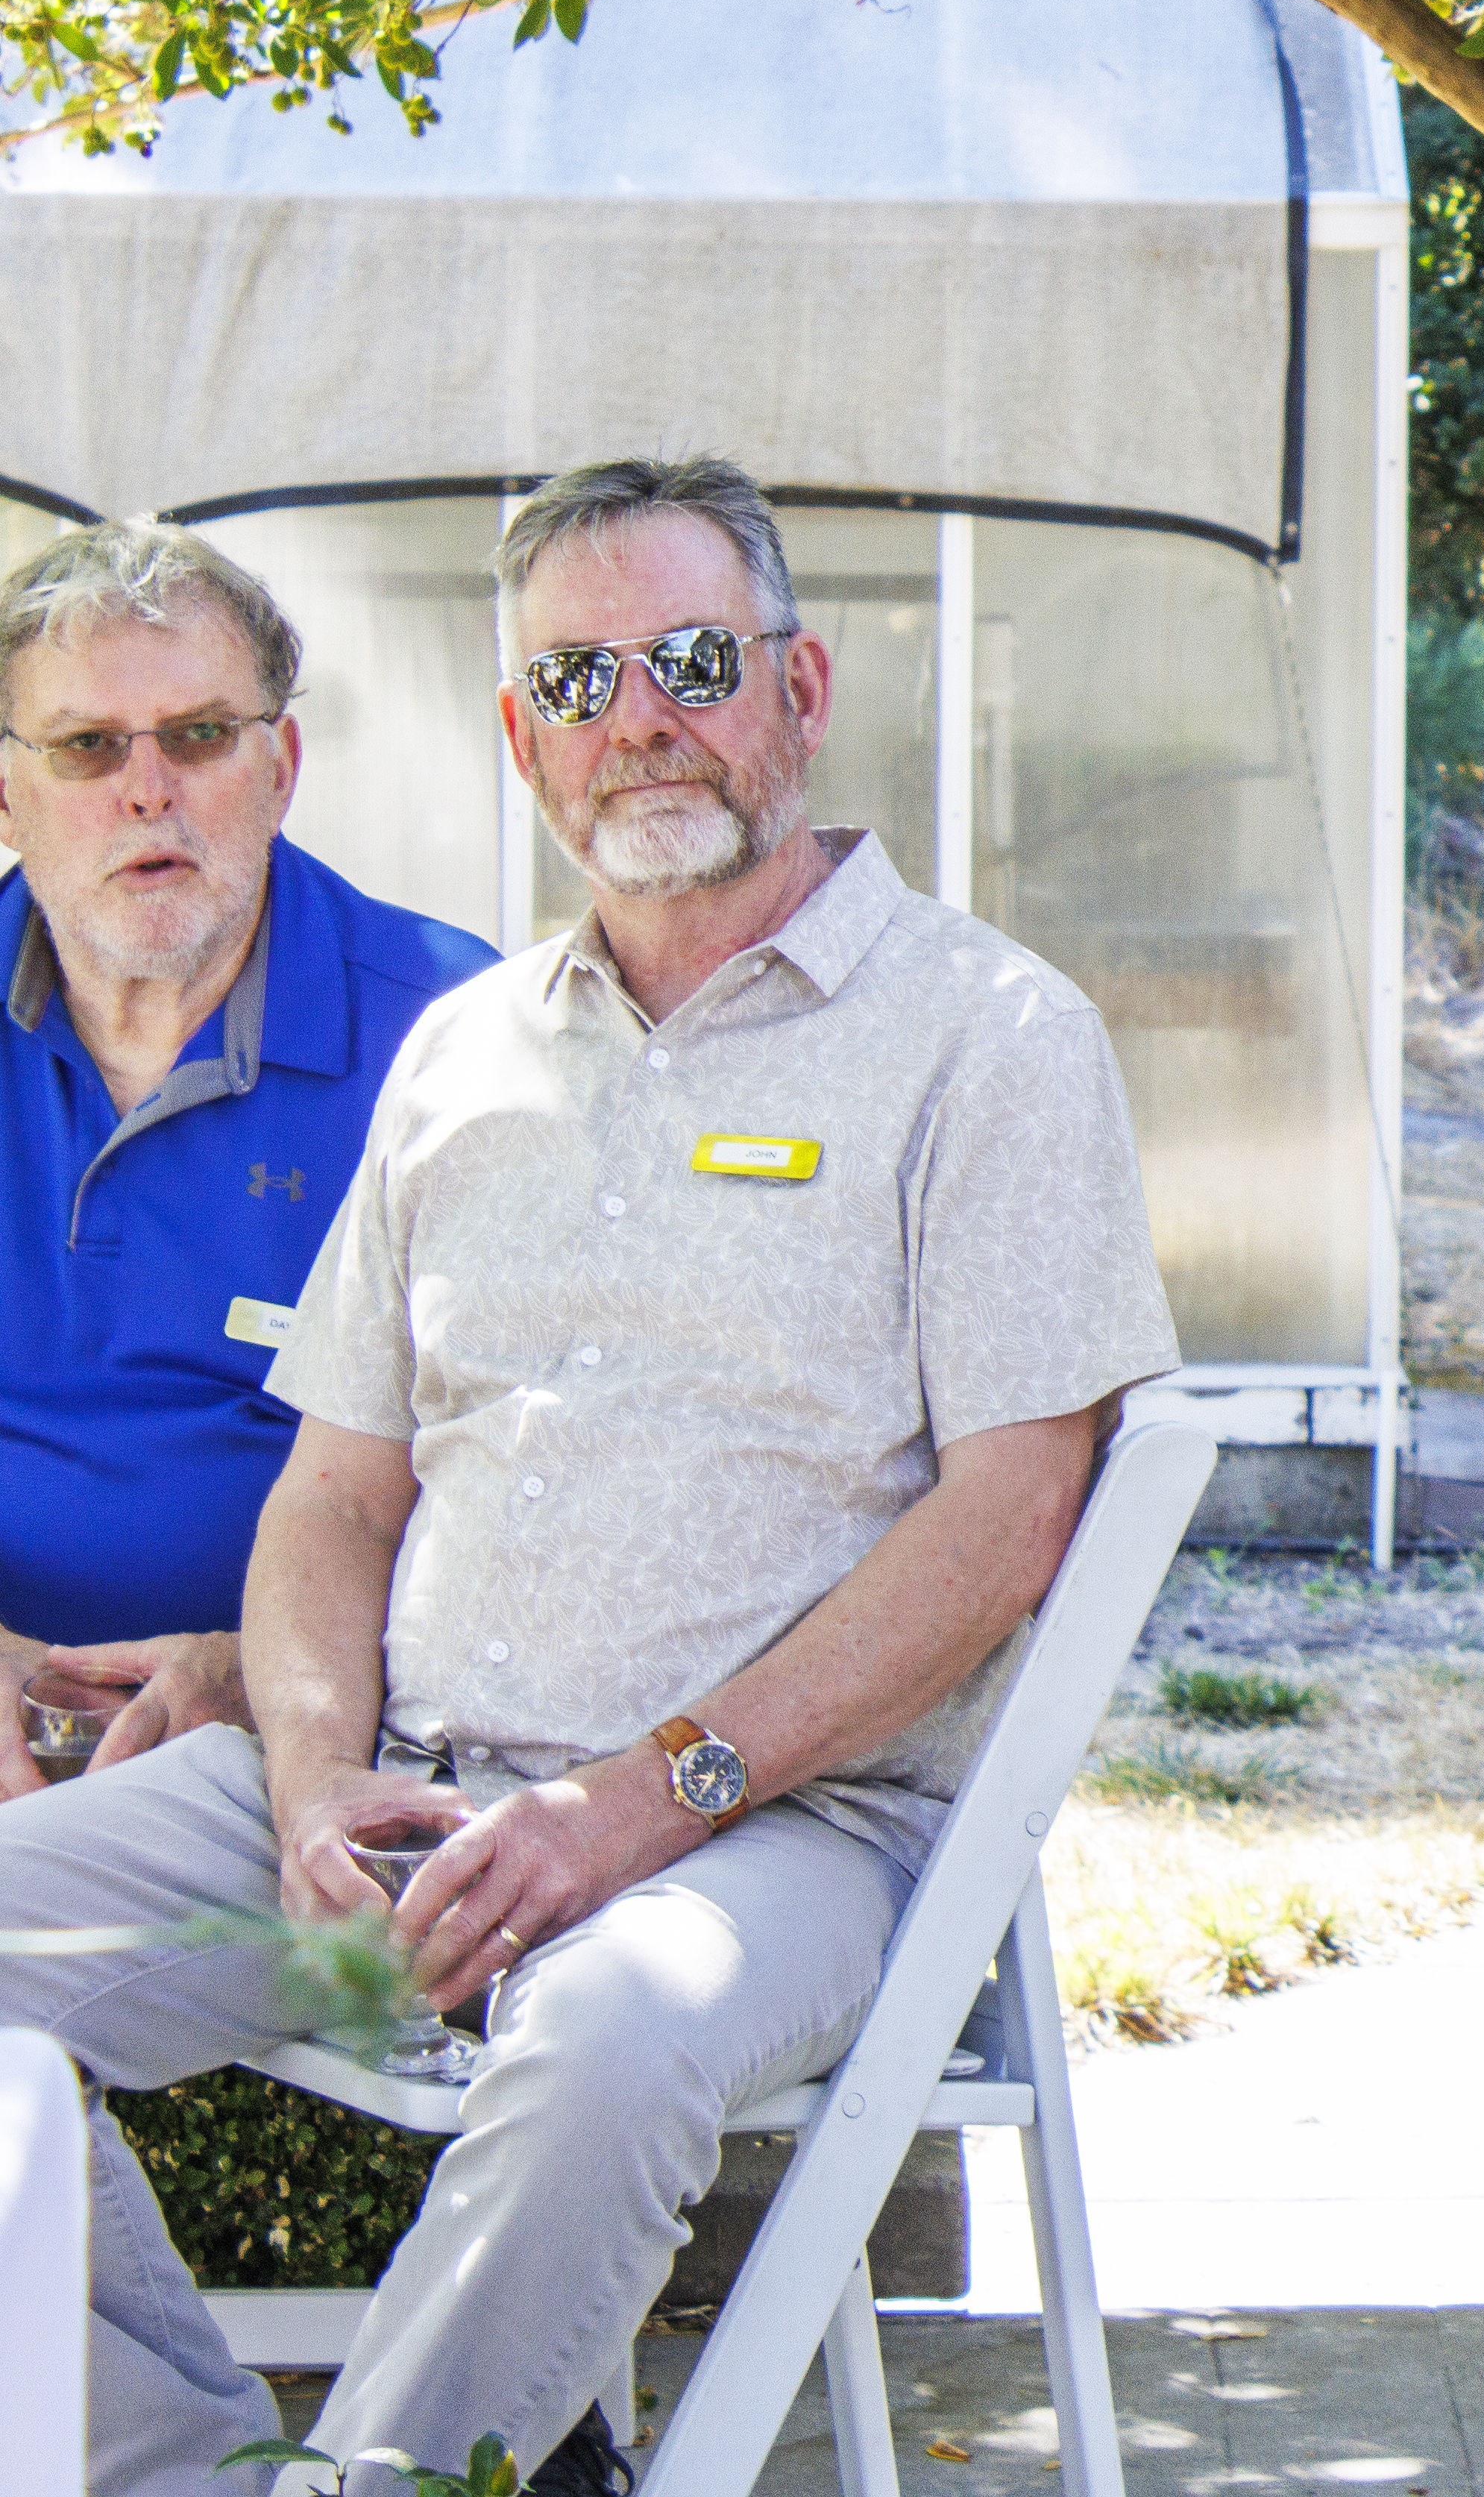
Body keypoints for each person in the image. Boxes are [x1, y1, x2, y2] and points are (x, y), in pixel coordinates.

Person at [0, 456, 1180, 2497]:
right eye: (576, 678)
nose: (636, 718)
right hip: (401, 1848)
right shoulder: (464, 1053)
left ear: (801, 689)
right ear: (516, 733)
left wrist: (638, 1803)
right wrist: (305, 1784)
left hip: (775, 1838)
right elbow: (338, 1495)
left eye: (692, 660)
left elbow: (1008, 1528)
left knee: (611, 2041)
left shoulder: (984, 1039)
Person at [1, 523, 493, 1795]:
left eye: (201, 735)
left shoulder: (461, 1043)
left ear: (281, 767)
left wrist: (272, 1671)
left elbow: (540, 1490)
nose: (147, 788)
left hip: (294, 1761)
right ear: (8, 793)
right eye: (86, 746)